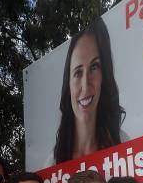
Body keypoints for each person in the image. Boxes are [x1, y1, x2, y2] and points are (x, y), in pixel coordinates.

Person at [53, 18, 125, 165]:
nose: (85, 86)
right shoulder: (52, 162)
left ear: (105, 73)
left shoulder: (125, 149)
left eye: (94, 67)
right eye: (78, 72)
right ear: (68, 83)